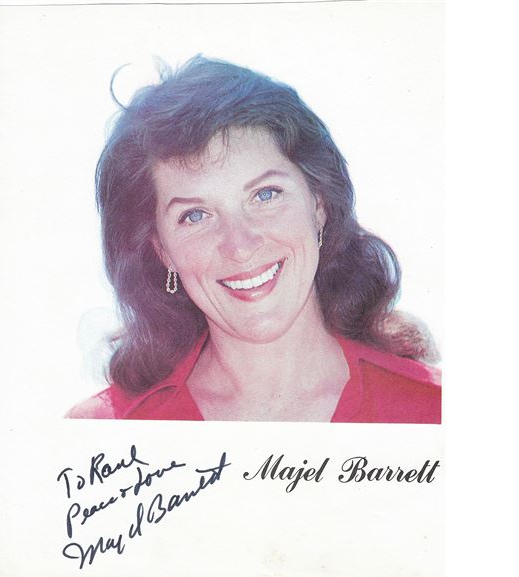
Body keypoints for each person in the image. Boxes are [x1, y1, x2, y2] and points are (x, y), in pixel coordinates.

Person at [66, 56, 441, 423]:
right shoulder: (104, 434)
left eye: (265, 195)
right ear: (162, 250)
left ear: (319, 204)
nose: (240, 246)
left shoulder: (437, 413)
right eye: (195, 216)